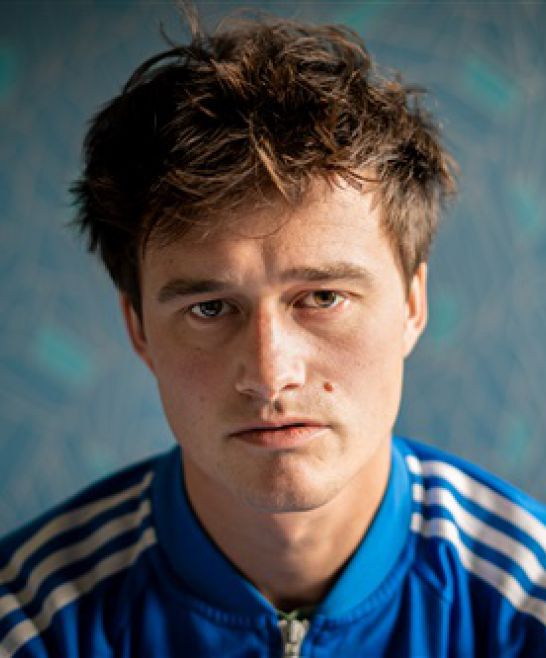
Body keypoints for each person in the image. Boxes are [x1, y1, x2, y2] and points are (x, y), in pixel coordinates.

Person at [1, 6, 545, 658]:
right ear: (138, 328)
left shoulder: (528, 607)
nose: (270, 374)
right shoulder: (29, 625)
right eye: (209, 308)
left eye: (323, 297)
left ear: (412, 304)